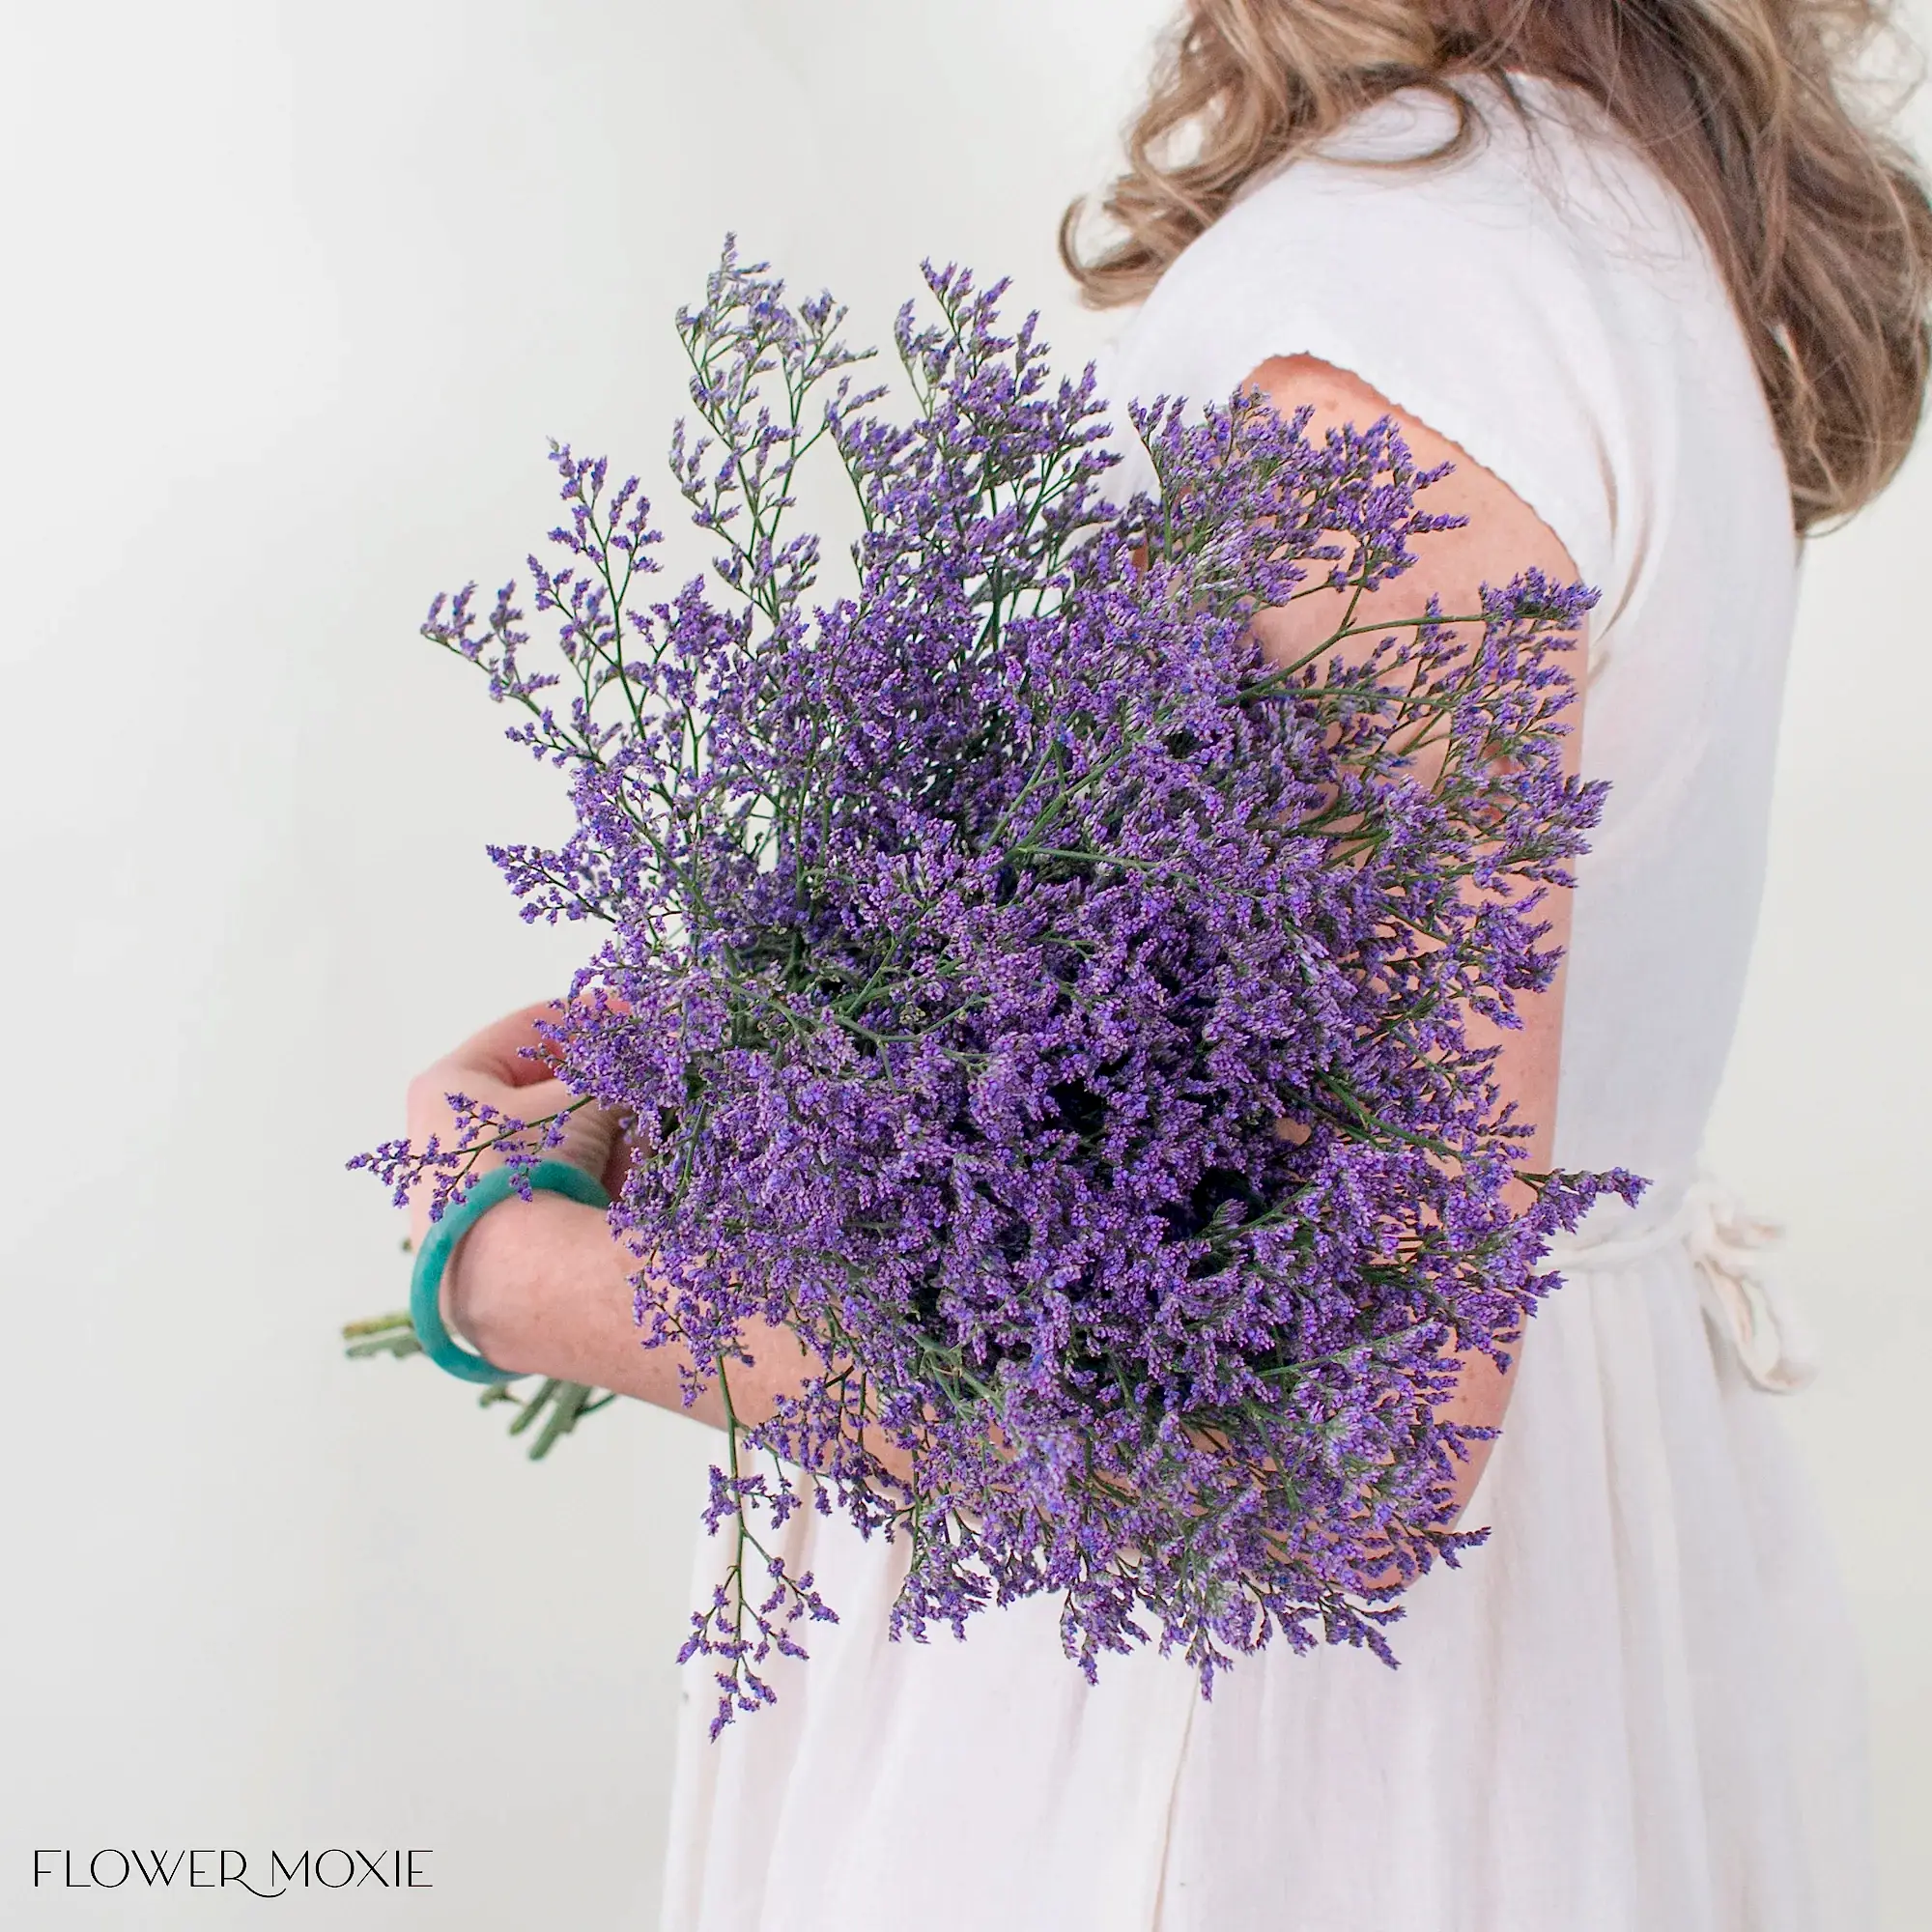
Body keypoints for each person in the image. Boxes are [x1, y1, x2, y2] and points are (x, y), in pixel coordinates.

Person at [401, 3, 1932, 1924]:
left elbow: (1337, 1448)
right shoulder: (1575, 206)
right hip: (1519, 1634)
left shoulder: (1400, 328)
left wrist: (518, 1266)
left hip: (1250, 1776)